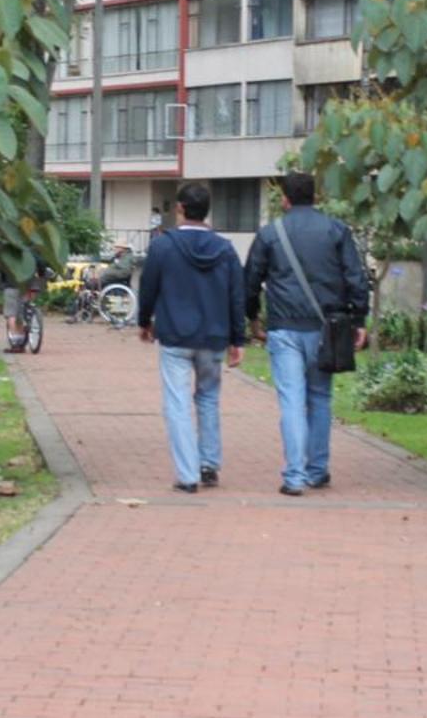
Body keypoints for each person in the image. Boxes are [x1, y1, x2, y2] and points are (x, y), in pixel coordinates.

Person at [243, 171, 370, 496]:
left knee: (291, 400)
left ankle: (294, 476)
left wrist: (252, 316)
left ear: (284, 199)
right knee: (320, 398)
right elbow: (356, 278)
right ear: (316, 197)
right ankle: (317, 469)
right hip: (327, 329)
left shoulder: (271, 234)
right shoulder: (336, 231)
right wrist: (358, 320)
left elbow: (251, 280)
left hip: (284, 327)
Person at [136, 183, 246, 494]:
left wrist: (144, 322)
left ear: (180, 208)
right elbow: (236, 296)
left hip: (174, 336)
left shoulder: (162, 246)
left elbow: (148, 287)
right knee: (208, 398)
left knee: (178, 402)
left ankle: (187, 475)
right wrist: (238, 339)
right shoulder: (225, 249)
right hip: (213, 337)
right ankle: (209, 464)